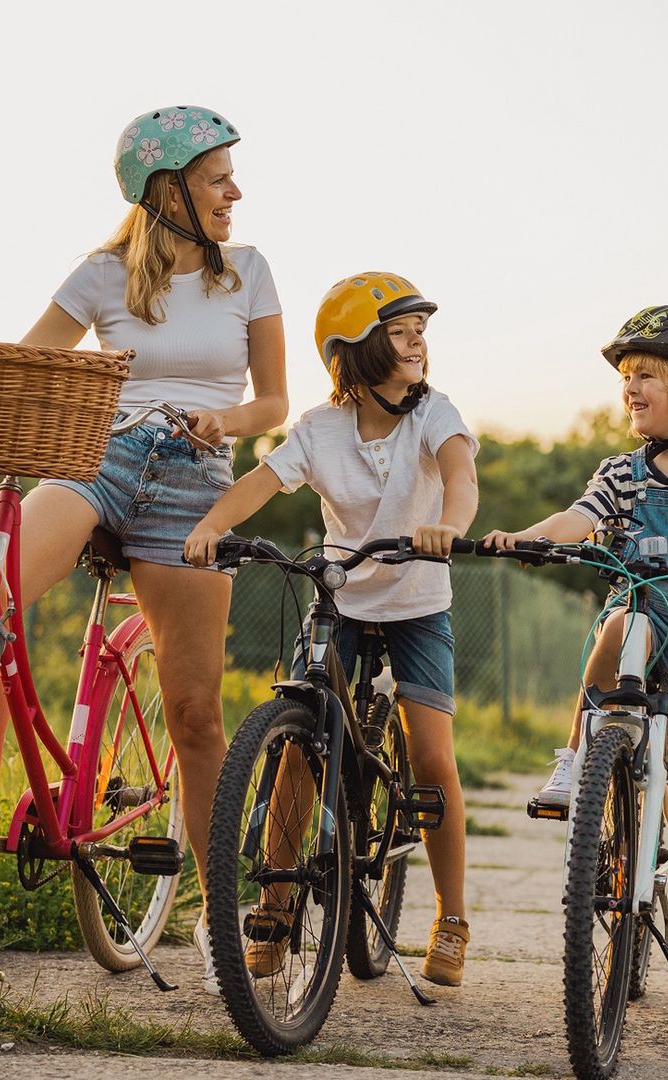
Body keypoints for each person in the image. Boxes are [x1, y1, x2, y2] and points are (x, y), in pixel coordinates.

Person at [0, 105, 287, 996]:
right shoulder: (103, 275)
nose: (236, 191)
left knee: (194, 714)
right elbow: (30, 363)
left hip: (195, 481)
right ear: (167, 187)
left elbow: (273, 405)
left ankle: (221, 913)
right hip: (97, 461)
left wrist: (227, 418)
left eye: (232, 176)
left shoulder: (249, 273)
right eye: (219, 176)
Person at [483, 305, 668, 1035]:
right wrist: (526, 537)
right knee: (623, 616)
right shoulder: (620, 472)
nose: (631, 389)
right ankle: (576, 758)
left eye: (645, 375)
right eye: (627, 378)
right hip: (640, 631)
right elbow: (581, 517)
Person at [183, 271, 480, 986]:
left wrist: (449, 526)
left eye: (421, 332)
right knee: (298, 750)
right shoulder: (320, 428)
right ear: (358, 349)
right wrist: (211, 525)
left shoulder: (433, 413)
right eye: (403, 332)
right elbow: (262, 480)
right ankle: (276, 907)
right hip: (342, 595)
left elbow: (460, 473)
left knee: (433, 756)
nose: (419, 343)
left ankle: (452, 916)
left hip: (416, 600)